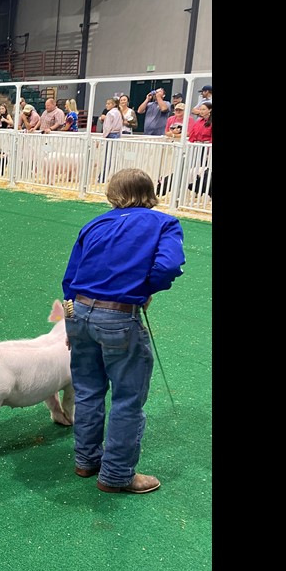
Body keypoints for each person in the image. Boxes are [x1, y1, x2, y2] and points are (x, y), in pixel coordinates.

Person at [61, 167, 185, 495]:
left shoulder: (95, 223)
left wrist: (71, 318)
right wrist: (146, 289)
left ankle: (86, 460)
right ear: (150, 194)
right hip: (119, 317)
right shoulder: (164, 223)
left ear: (113, 194)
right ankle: (117, 475)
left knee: (87, 391)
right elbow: (169, 265)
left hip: (79, 311)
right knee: (128, 400)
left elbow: (70, 276)